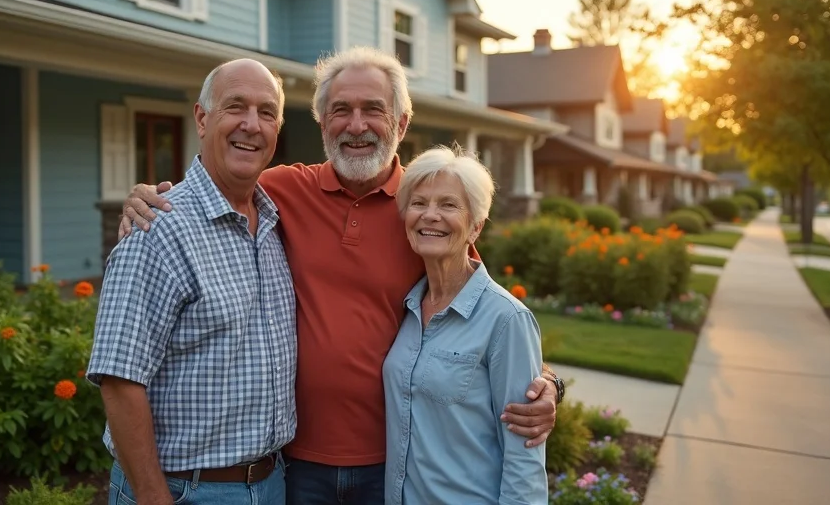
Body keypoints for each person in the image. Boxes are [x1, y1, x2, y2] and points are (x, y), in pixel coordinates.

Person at [118, 46, 563, 505]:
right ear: (322, 122)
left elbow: (480, 313)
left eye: (374, 110)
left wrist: (545, 381)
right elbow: (216, 184)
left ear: (401, 123)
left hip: (391, 464)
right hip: (293, 464)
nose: (356, 126)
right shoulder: (280, 191)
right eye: (341, 111)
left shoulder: (423, 212)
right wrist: (146, 197)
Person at [86, 59, 297, 505]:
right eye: (235, 107)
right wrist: (153, 497)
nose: (251, 125)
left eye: (266, 112)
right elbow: (120, 380)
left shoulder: (278, 223)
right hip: (186, 490)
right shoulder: (157, 227)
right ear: (202, 119)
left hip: (272, 484)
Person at [384, 145, 548, 505]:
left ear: (475, 226)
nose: (430, 215)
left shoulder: (506, 319)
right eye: (419, 203)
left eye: (448, 205)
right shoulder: (408, 307)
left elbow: (525, 455)